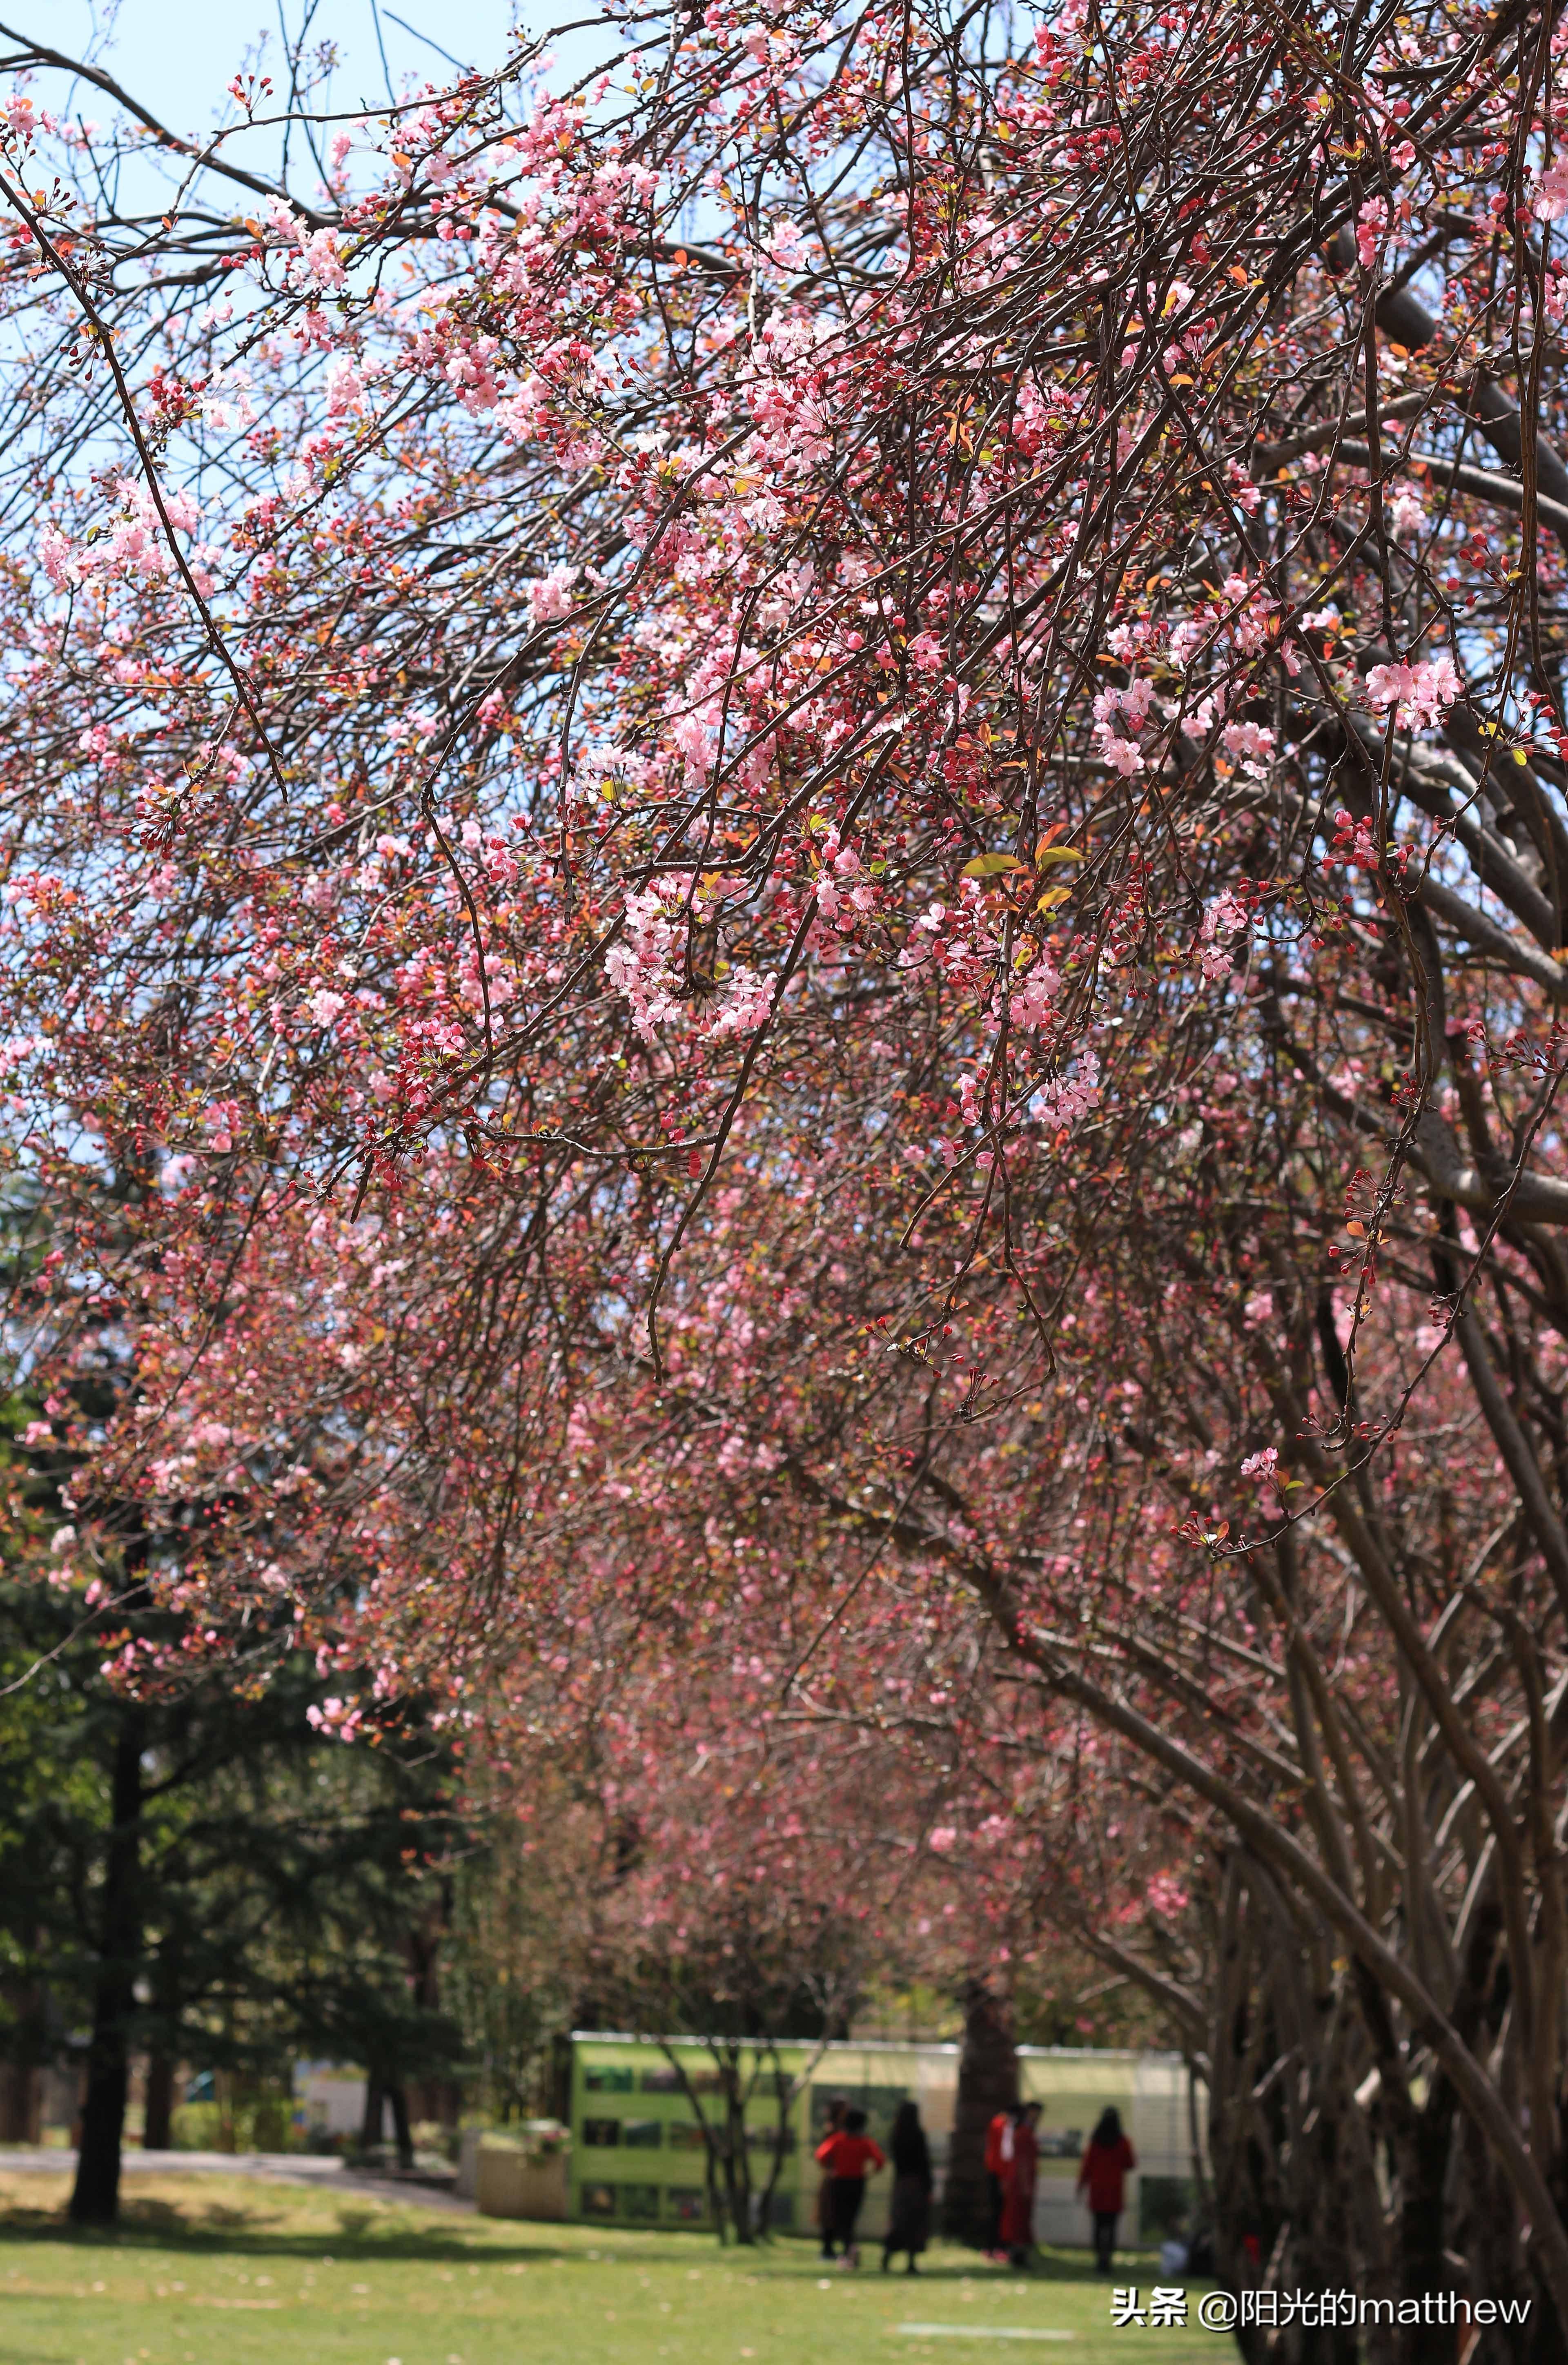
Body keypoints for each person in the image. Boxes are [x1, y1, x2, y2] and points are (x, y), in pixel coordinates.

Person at [815, 2106, 886, 2267]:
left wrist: (829, 2171)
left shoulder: (838, 2140)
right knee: (850, 2218)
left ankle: (849, 2250)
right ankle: (849, 2250)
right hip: (857, 2183)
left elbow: (821, 2155)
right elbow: (880, 2161)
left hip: (839, 2182)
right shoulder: (866, 2142)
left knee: (839, 2218)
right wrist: (870, 2174)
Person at [1076, 2105, 1137, 2276]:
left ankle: (1099, 2259)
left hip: (1098, 2190)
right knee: (1111, 2227)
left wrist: (1081, 2186)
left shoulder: (1095, 2141)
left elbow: (1087, 2166)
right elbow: (1131, 2164)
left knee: (1098, 2226)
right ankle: (1107, 2259)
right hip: (1114, 2190)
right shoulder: (1123, 2141)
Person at [882, 2100, 933, 2274]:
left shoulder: (896, 2135)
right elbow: (924, 2164)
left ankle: (888, 2256)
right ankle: (911, 2262)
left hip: (901, 2183)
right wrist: (928, 2187)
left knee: (899, 2222)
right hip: (916, 2184)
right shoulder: (918, 2135)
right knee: (914, 2223)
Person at [1000, 2101, 1041, 2267]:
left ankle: (1017, 2253)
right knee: (1020, 2220)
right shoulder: (1024, 2133)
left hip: (1018, 2182)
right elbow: (1023, 2163)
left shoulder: (1019, 2132)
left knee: (1018, 2219)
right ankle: (1018, 2255)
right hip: (1021, 2184)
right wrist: (1026, 2185)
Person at [816, 2097, 848, 2256]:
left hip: (843, 2178)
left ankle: (839, 2248)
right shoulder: (832, 2130)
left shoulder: (845, 2131)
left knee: (839, 2214)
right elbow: (823, 2155)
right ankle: (828, 2248)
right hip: (833, 2177)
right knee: (829, 2214)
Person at [983, 2104, 1014, 2260]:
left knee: (994, 2212)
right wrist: (1005, 2178)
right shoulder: (1005, 2126)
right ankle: (1000, 2247)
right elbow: (1006, 2153)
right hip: (1001, 2175)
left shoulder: (995, 2123)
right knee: (1001, 2213)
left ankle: (991, 2247)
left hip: (994, 2172)